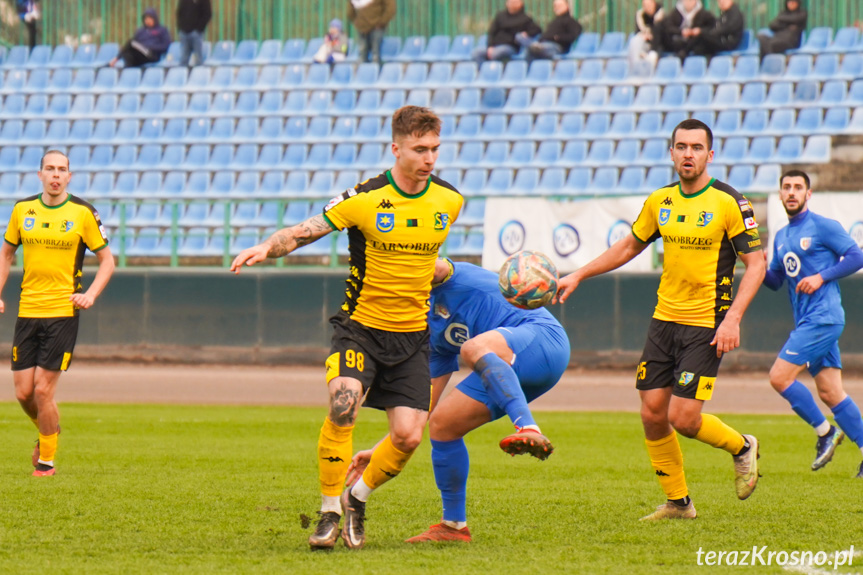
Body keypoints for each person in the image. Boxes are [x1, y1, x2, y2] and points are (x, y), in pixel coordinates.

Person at [230, 106, 463, 551]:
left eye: (434, 148)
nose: (429, 158)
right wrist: (267, 246)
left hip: (414, 337)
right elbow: (305, 231)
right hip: (359, 329)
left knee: (410, 436)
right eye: (419, 149)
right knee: (343, 406)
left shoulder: (450, 201)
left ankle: (357, 498)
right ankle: (328, 511)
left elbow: (420, 260)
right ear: (396, 149)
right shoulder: (364, 198)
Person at [556, 119, 766, 520]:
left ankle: (742, 446)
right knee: (652, 413)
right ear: (671, 152)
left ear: (710, 154)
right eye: (681, 147)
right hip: (663, 320)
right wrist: (580, 273)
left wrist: (733, 318)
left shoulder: (729, 202)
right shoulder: (660, 201)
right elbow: (631, 244)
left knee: (683, 418)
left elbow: (756, 265)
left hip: (707, 322)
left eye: (696, 147)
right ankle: (677, 503)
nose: (688, 154)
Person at [346, 258, 571, 543]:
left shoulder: (441, 274)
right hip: (506, 368)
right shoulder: (428, 329)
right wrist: (381, 448)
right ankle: (453, 526)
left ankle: (528, 427)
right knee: (442, 425)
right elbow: (422, 407)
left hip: (542, 340)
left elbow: (430, 264)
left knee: (473, 347)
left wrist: (394, 260)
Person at [0, 150, 114, 477]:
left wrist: (90, 295)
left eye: (61, 169)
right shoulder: (23, 210)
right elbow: (6, 254)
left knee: (42, 390)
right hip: (28, 309)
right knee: (23, 393)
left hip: (63, 312)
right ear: (40, 175)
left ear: (69, 176)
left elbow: (108, 261)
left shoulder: (83, 213)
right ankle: (49, 429)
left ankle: (46, 464)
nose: (55, 175)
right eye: (49, 169)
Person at [763, 170, 863, 478]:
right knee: (831, 392)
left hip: (823, 318)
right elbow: (776, 282)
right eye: (786, 187)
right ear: (780, 194)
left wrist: (821, 276)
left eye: (798, 187)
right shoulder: (781, 236)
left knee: (779, 377)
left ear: (809, 194)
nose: (791, 192)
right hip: (811, 320)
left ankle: (825, 433)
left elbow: (856, 256)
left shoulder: (821, 226)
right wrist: (753, 262)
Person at [472, 0, 542, 63]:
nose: (512, 4)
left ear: (520, 4)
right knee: (476, 53)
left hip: (510, 47)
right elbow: (492, 32)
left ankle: (497, 72)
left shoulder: (525, 18)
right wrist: (490, 46)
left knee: (497, 53)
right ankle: (482, 72)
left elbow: (537, 29)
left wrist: (527, 33)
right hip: (495, 46)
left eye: (515, 2)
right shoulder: (500, 16)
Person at [108, 8, 172, 68]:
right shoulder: (141, 31)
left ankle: (114, 60)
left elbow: (165, 46)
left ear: (154, 18)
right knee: (127, 54)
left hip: (152, 55)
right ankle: (128, 74)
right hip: (140, 55)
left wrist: (150, 46)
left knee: (131, 42)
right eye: (146, 18)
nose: (147, 20)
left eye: (150, 18)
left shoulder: (162, 30)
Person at [348, 0, 396, 65]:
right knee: (362, 56)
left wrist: (382, 23)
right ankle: (365, 74)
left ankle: (376, 73)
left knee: (375, 55)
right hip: (362, 28)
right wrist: (357, 23)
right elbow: (350, 10)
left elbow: (391, 9)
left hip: (377, 28)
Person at [628, 0, 665, 68]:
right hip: (645, 43)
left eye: (649, 5)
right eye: (645, 5)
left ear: (654, 4)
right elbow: (637, 31)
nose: (647, 7)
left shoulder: (661, 16)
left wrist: (651, 35)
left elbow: (663, 33)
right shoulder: (640, 15)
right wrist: (644, 35)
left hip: (658, 44)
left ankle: (650, 58)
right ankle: (635, 66)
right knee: (635, 40)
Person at [176, 0, 212, 67]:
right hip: (184, 33)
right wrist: (180, 29)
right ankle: (184, 76)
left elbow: (207, 14)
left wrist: (199, 29)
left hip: (197, 34)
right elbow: (179, 13)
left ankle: (199, 76)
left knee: (198, 59)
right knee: (183, 59)